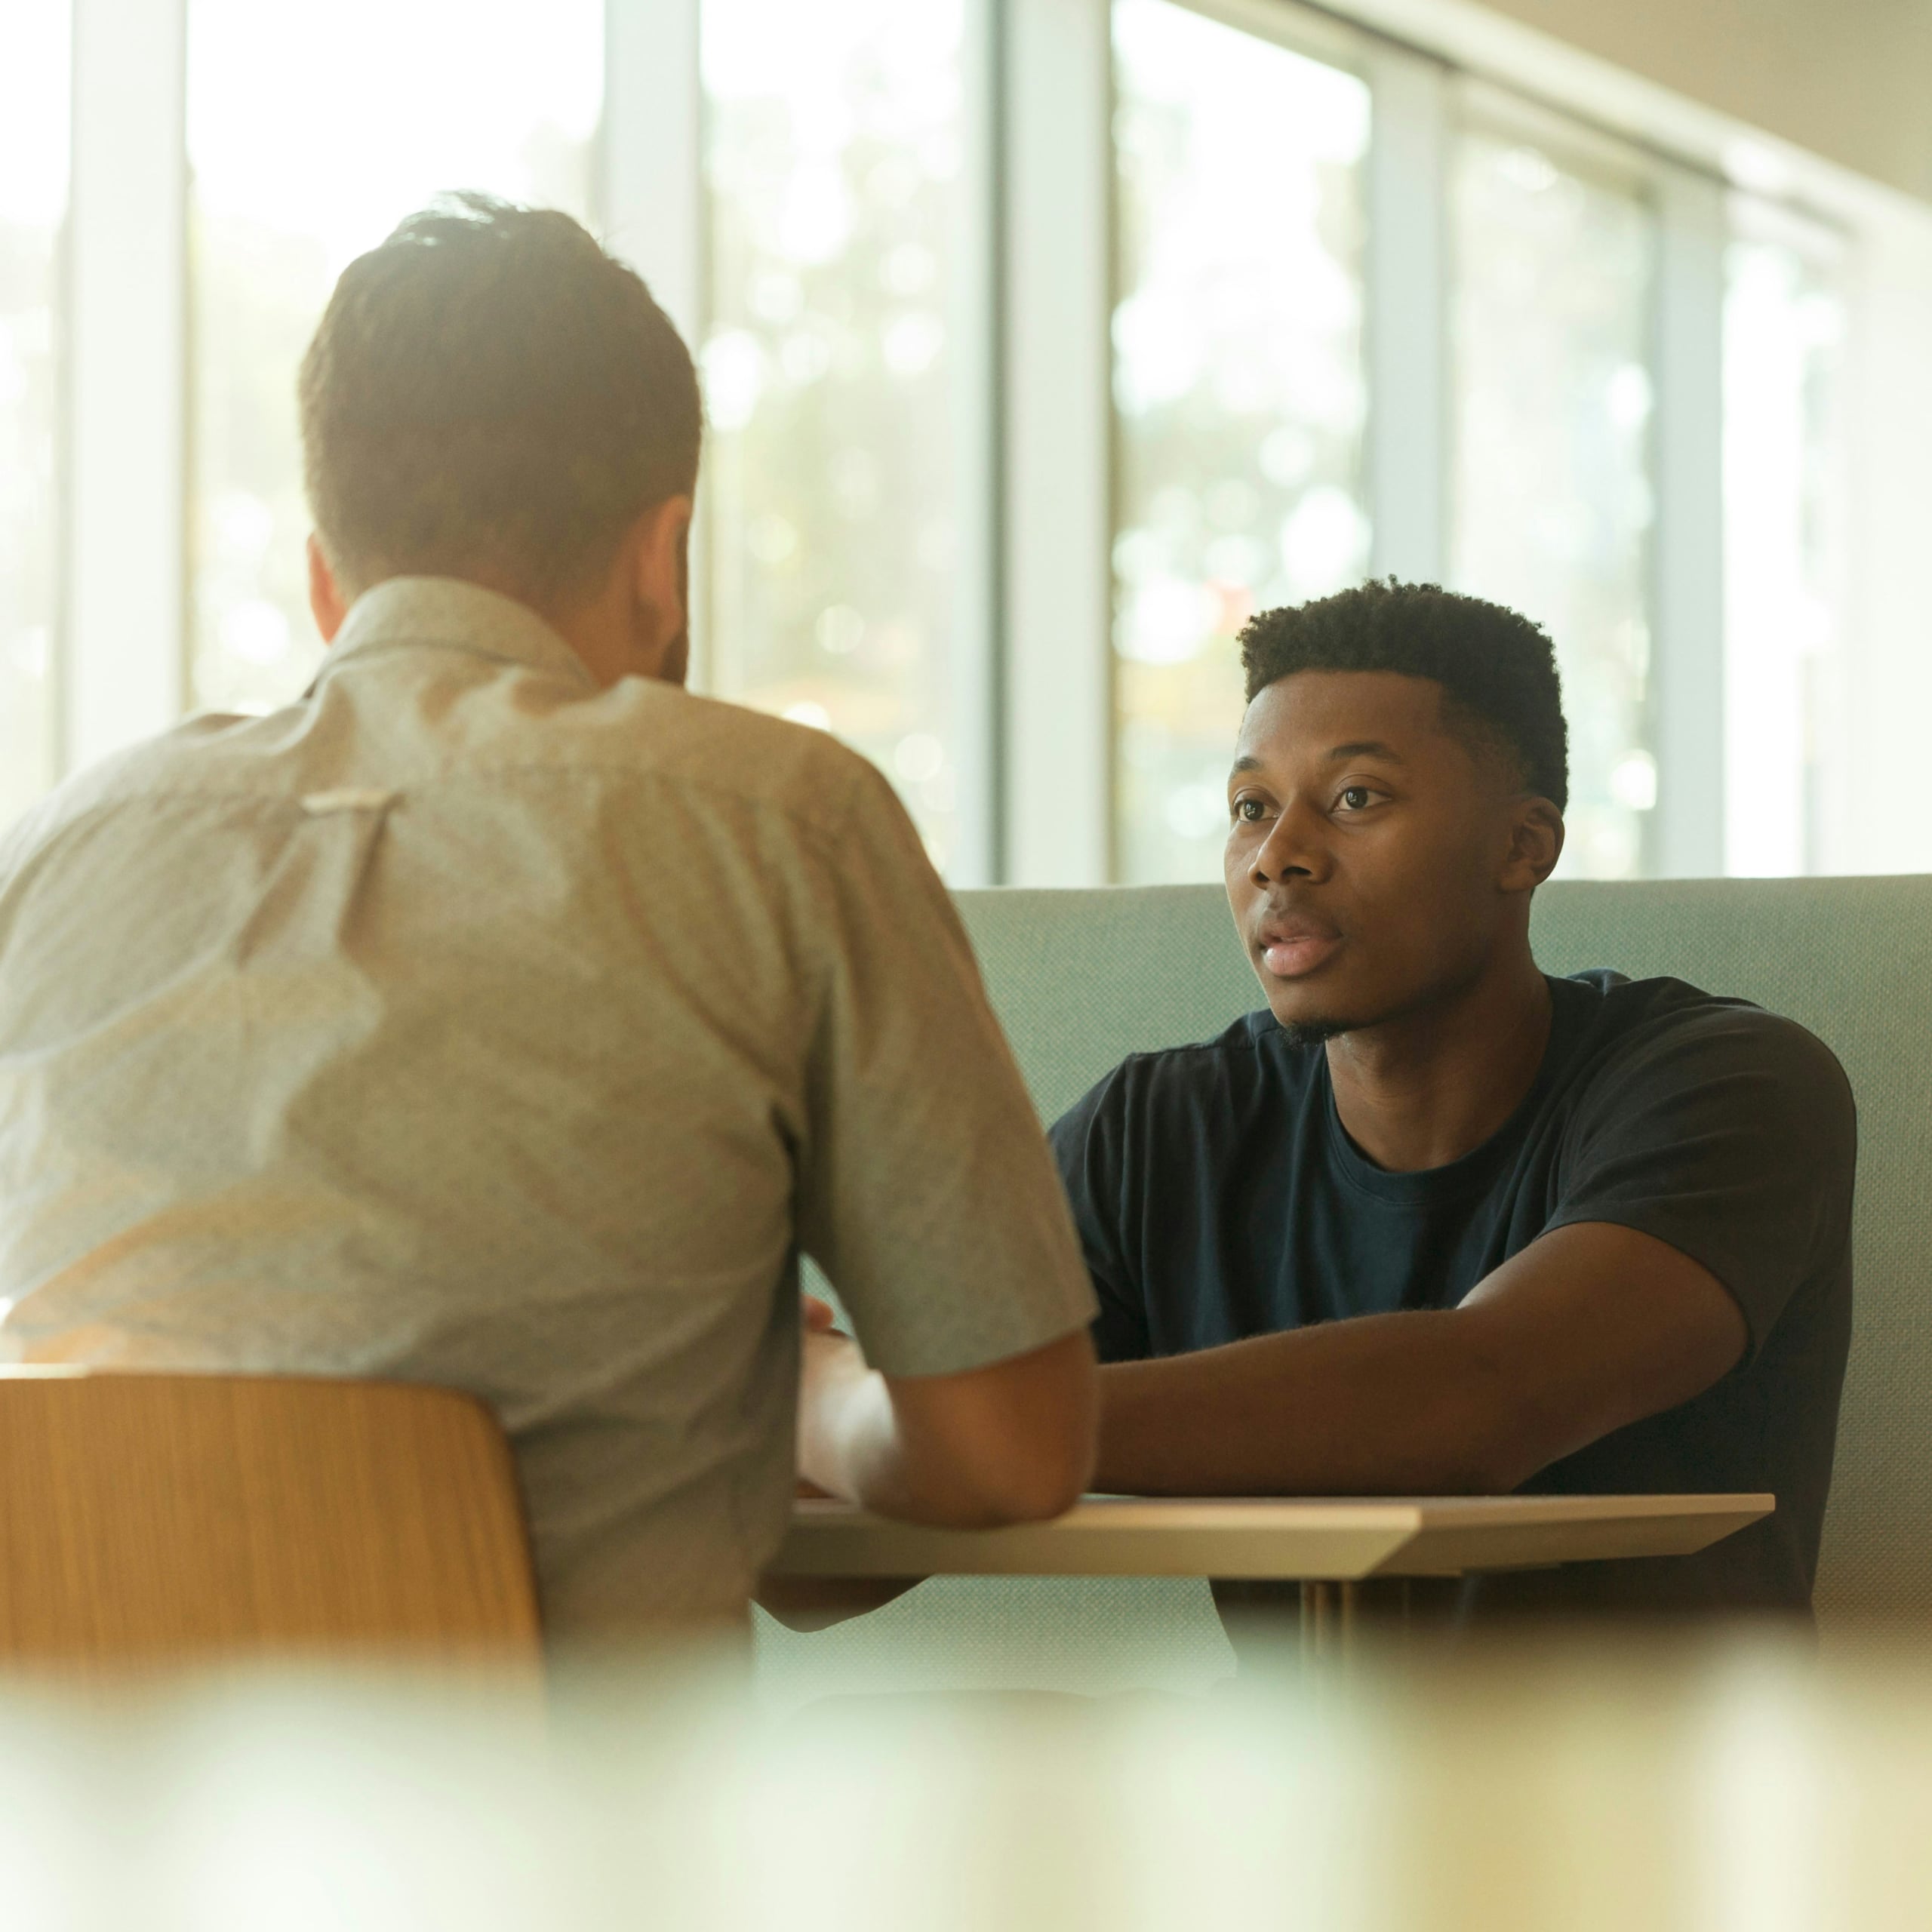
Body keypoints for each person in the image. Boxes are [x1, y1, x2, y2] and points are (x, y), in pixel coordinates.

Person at [0, 195, 1097, 1644]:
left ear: (328, 580)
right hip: (564, 1848)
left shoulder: (61, 845)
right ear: (666, 556)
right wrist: (808, 1396)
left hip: (73, 1840)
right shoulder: (783, 820)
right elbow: (1010, 1455)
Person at [1051, 580, 1854, 1619]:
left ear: (1525, 846)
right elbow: (822, 1571)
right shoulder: (1156, 1132)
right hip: (1299, 1774)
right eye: (1251, 807)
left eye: (1355, 799)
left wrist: (944, 1429)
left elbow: (1474, 1405)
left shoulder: (1732, 1087)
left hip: (1659, 1775)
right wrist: (831, 1412)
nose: (1275, 856)